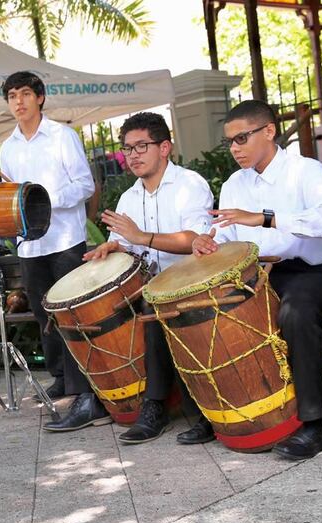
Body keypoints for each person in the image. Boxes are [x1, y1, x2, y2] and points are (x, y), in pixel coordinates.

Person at [192, 99, 322, 460]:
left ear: (269, 131)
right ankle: (231, 415)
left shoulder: (306, 171)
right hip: (255, 275)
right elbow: (226, 238)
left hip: (306, 272)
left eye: (242, 138)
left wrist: (265, 218)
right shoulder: (233, 184)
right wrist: (207, 242)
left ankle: (314, 426)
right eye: (230, 141)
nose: (234, 148)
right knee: (208, 312)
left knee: (295, 311)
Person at [79, 112, 214, 443]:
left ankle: (170, 409)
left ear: (164, 147)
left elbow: (195, 239)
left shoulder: (189, 185)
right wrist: (109, 247)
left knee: (153, 309)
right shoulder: (129, 197)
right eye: (128, 148)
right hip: (149, 286)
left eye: (142, 146)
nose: (133, 155)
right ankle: (128, 400)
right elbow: (124, 241)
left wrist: (142, 237)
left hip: (191, 280)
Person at [0, 71, 99, 430]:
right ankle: (61, 376)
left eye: (25, 93)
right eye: (12, 96)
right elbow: (12, 196)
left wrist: (44, 202)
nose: (19, 101)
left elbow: (85, 185)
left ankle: (86, 396)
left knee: (71, 315)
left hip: (64, 241)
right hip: (30, 245)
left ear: (40, 97)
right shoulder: (7, 148)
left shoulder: (62, 136)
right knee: (46, 317)